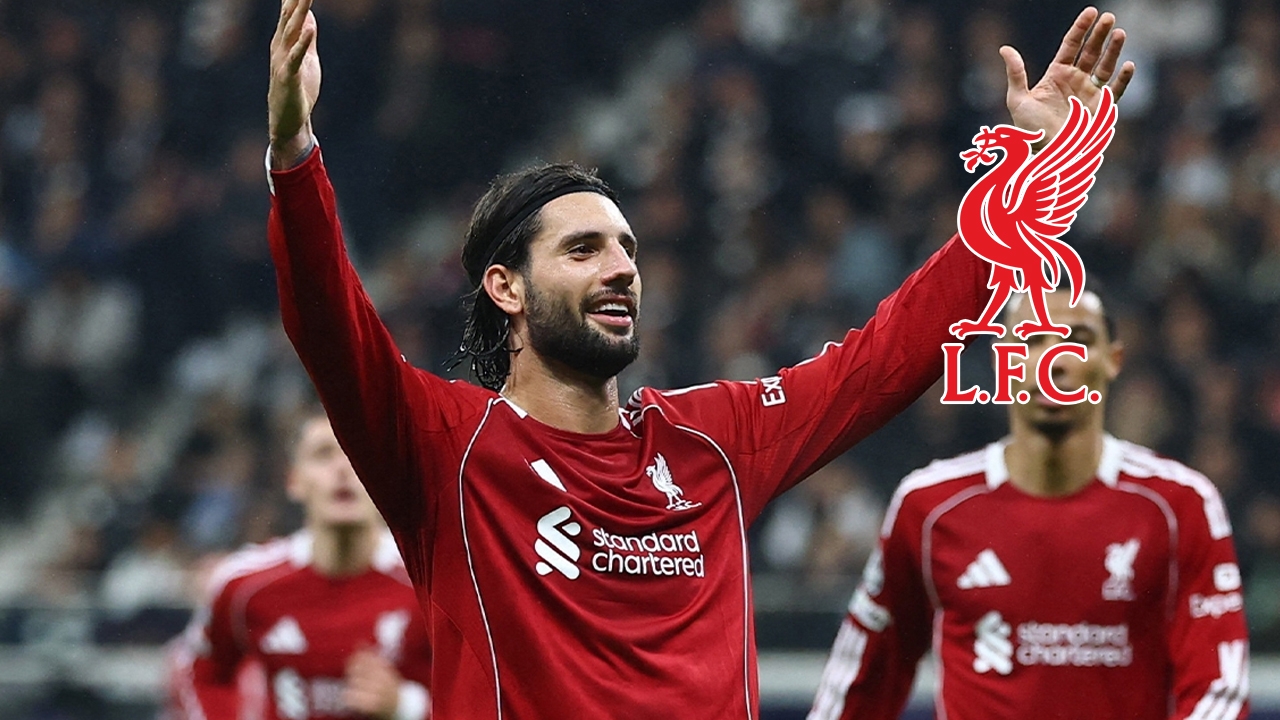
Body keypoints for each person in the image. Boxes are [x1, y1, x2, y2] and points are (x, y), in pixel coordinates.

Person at [264, 0, 1134, 715]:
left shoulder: (709, 442)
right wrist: (296, 157)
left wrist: (1035, 171)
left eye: (628, 249)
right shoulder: (447, 449)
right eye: (582, 250)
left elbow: (888, 356)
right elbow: (331, 326)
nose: (620, 269)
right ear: (506, 288)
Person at [807, 290, 1250, 720]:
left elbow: (1219, 689)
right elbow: (859, 686)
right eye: (1032, 340)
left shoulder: (1179, 505)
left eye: (1077, 340)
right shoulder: (930, 507)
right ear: (1002, 361)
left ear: (1113, 360)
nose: (1055, 360)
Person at [166, 413, 432, 720]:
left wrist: (405, 707)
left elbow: (477, 693)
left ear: (388, 478)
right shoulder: (245, 584)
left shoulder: (430, 585)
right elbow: (202, 673)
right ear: (293, 481)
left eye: (360, 451)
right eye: (323, 454)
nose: (343, 468)